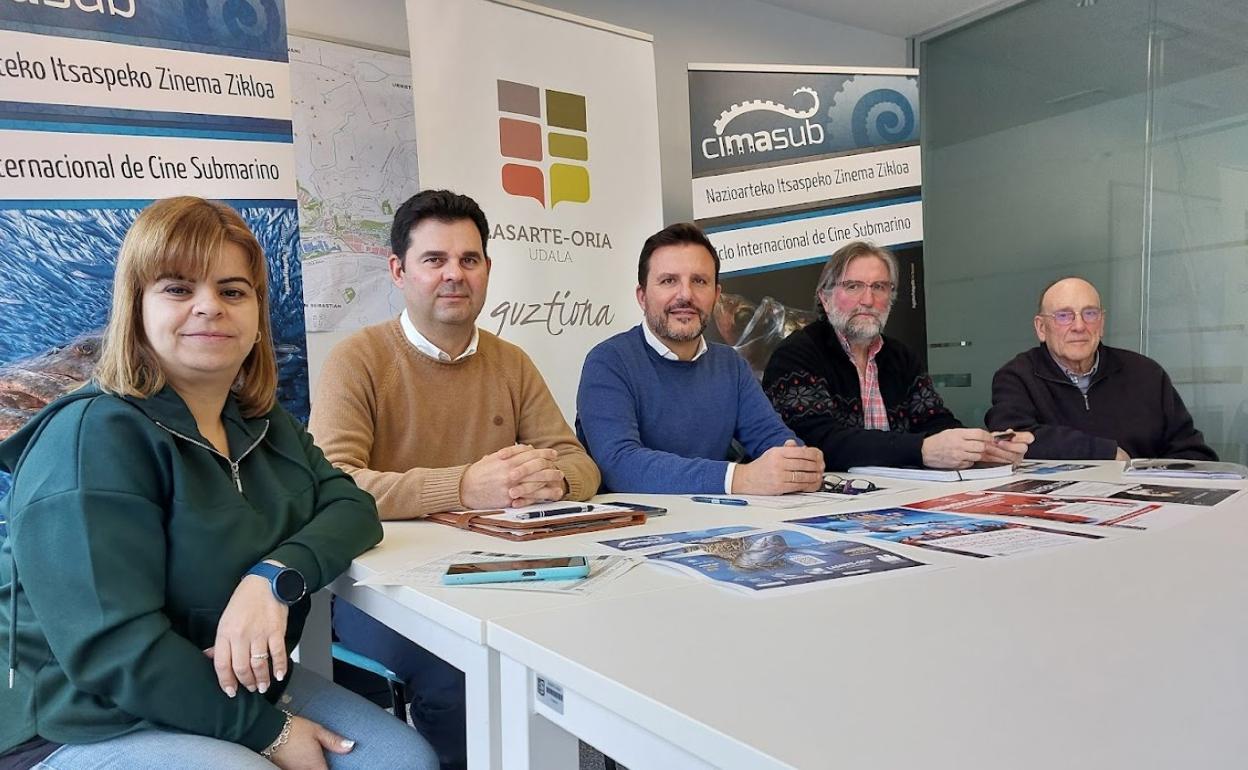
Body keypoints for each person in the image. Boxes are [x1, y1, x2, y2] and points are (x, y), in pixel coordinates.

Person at [0, 197, 437, 770]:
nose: (209, 306)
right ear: (135, 307)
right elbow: (112, 649)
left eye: (232, 291)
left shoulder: (261, 421)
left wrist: (273, 578)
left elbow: (352, 506)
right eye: (178, 288)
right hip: (81, 716)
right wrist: (269, 733)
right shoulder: (91, 438)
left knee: (402, 760)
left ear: (256, 314)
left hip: (231, 681)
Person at [309, 189, 599, 769]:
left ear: (487, 269)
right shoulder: (357, 359)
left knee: (583, 651)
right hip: (382, 591)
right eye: (434, 259)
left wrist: (548, 482)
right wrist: (463, 487)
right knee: (459, 679)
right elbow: (334, 484)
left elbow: (579, 463)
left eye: (469, 260)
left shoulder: (511, 362)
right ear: (398, 271)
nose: (454, 275)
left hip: (503, 575)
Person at [576, 223, 824, 494]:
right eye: (668, 281)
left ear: (716, 295)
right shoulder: (608, 362)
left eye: (699, 281)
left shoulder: (731, 365)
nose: (686, 295)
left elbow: (772, 437)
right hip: (638, 519)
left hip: (715, 517)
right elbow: (619, 465)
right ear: (642, 297)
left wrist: (799, 463)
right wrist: (738, 478)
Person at [763, 241, 1032, 471]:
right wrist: (921, 449)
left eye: (879, 287)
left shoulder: (900, 356)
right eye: (853, 286)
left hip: (899, 493)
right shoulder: (796, 355)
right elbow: (817, 441)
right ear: (825, 297)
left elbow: (934, 420)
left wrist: (980, 446)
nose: (868, 300)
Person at [986, 276, 1217, 460]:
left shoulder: (1146, 374)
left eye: (1090, 314)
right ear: (1041, 328)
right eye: (1064, 316)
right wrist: (1104, 452)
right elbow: (1011, 440)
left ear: (1102, 323)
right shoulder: (1017, 376)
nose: (1079, 326)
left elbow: (1192, 452)